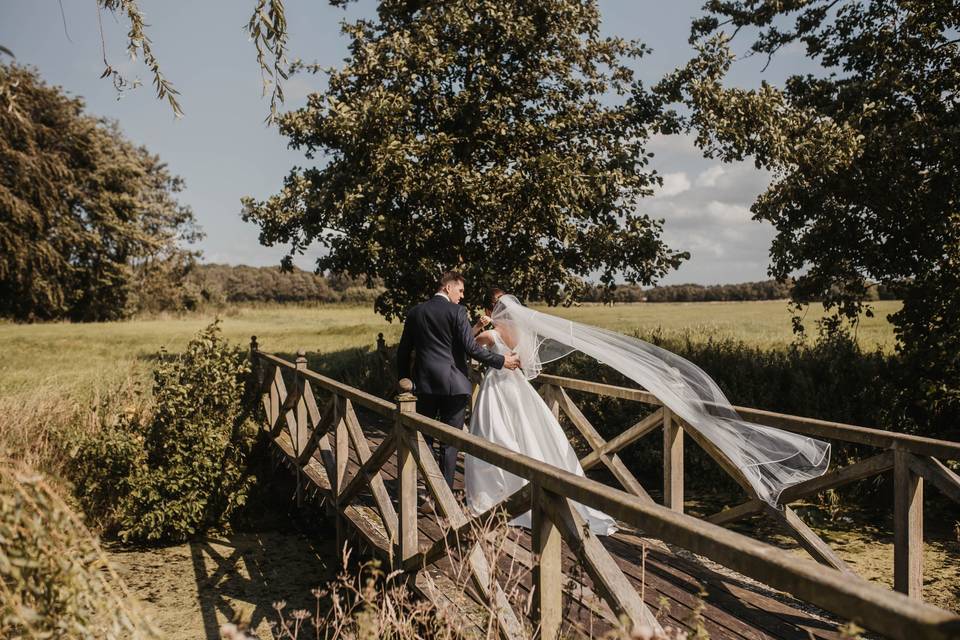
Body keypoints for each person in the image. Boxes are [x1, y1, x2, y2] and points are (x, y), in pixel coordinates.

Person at [465, 289, 618, 534]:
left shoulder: (491, 334)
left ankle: (497, 496)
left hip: (496, 387)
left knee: (492, 436)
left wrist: (476, 326)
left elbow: (466, 345)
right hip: (518, 387)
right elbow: (525, 363)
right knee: (527, 434)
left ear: (489, 312)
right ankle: (530, 490)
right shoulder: (521, 334)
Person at [396, 272, 521, 491]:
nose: (462, 296)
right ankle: (443, 495)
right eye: (460, 290)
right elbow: (471, 348)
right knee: (450, 443)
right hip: (455, 386)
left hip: (423, 386)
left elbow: (403, 352)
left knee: (424, 438)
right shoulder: (457, 311)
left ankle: (428, 487)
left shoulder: (415, 312)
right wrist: (502, 361)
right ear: (447, 288)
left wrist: (404, 379)